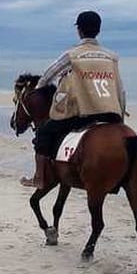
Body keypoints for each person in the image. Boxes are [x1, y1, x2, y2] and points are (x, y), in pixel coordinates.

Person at [20, 10, 127, 188]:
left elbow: (47, 77)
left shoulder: (72, 55)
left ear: (79, 30)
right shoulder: (112, 57)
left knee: (44, 134)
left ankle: (39, 178)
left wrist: (39, 90)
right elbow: (121, 92)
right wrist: (120, 119)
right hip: (111, 114)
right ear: (98, 30)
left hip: (84, 115)